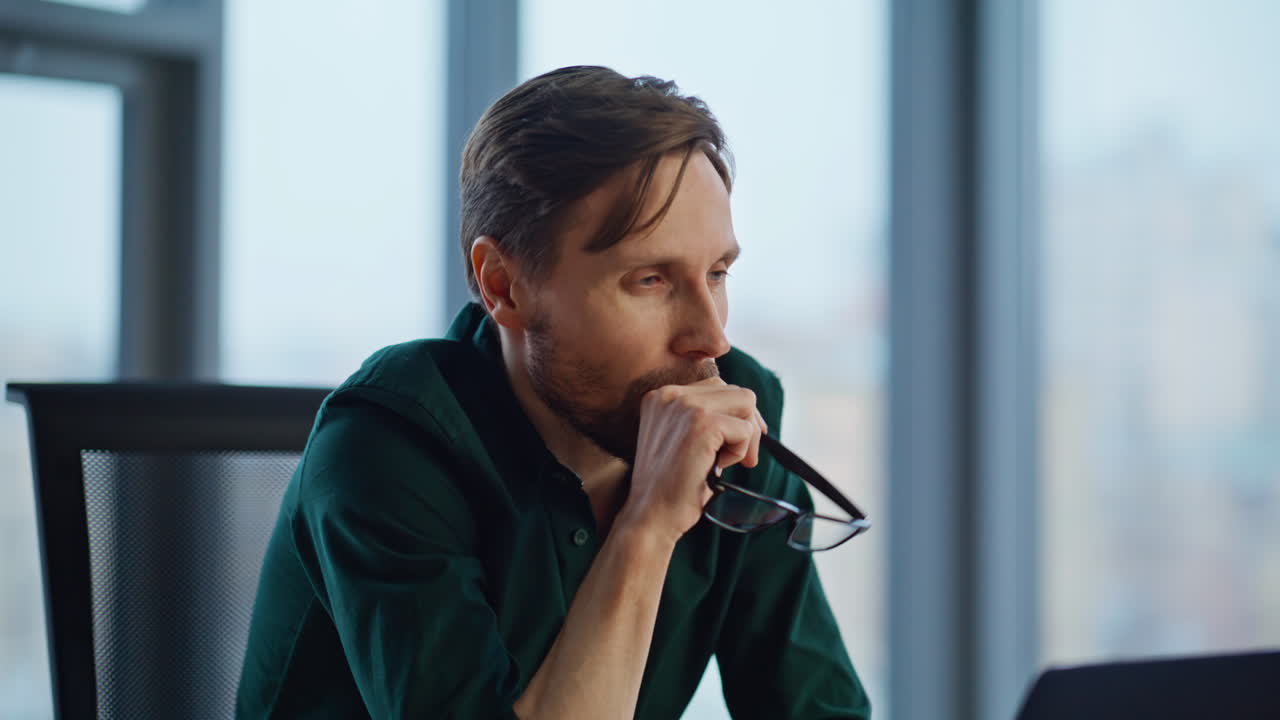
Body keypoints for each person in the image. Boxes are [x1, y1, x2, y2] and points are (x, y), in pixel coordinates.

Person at [236, 65, 871, 719]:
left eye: (716, 272)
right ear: (504, 285)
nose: (709, 337)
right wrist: (647, 528)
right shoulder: (384, 448)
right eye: (650, 280)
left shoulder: (731, 415)